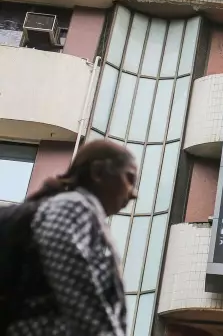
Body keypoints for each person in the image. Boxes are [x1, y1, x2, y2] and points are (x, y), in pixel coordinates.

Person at [6, 140, 138, 336]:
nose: (134, 193)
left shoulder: (80, 213)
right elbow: (72, 278)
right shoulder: (74, 205)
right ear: (98, 172)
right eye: (129, 178)